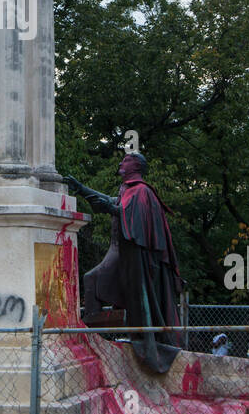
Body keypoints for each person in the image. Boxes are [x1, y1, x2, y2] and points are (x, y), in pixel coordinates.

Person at [67, 154, 185, 373]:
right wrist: (81, 189)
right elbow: (115, 203)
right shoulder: (128, 190)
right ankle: (94, 334)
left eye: (126, 160)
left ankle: (114, 331)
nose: (121, 163)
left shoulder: (142, 191)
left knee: (94, 280)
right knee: (91, 280)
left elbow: (134, 220)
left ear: (136, 166)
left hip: (136, 258)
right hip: (121, 252)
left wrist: (111, 209)